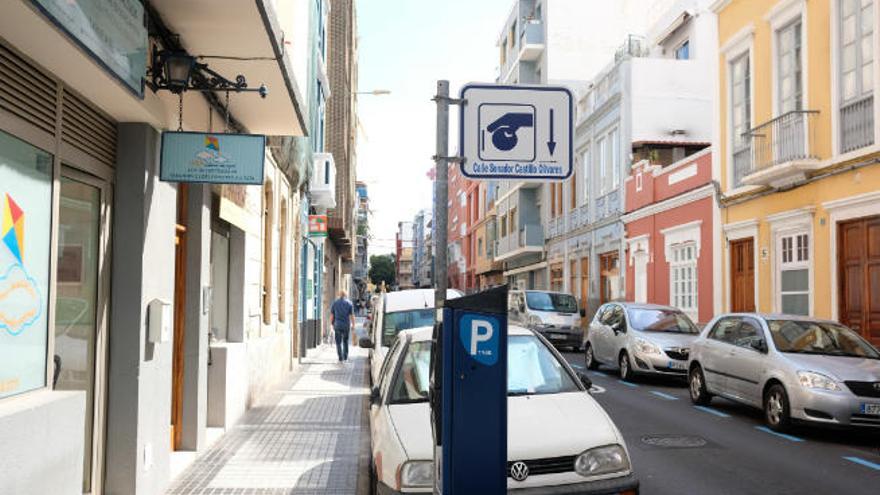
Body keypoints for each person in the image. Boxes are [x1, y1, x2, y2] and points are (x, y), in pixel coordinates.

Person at [330, 290, 356, 362]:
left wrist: (331, 324)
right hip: (346, 325)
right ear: (345, 295)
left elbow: (332, 315)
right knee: (345, 341)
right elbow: (352, 316)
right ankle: (345, 357)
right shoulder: (349, 303)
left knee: (338, 342)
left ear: (339, 295)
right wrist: (353, 325)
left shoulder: (335, 303)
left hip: (337, 324)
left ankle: (340, 357)